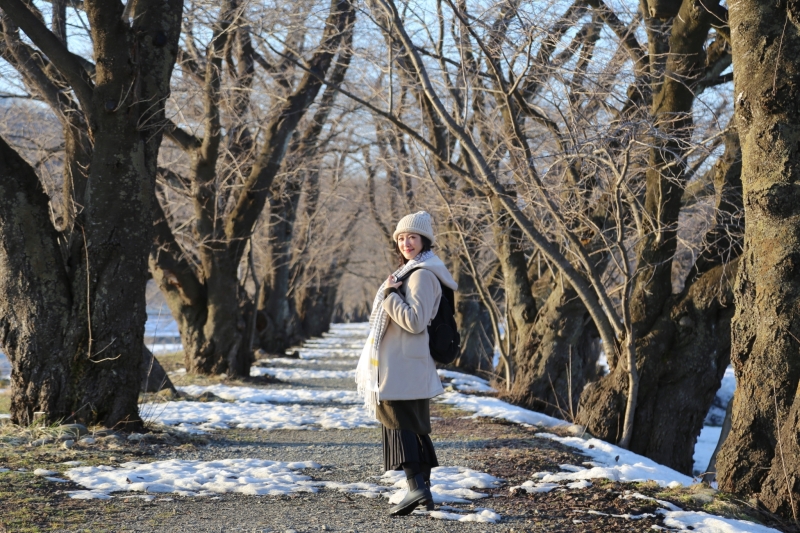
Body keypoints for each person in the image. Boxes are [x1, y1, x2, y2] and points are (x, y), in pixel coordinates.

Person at [355, 211, 458, 516]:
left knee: (400, 423)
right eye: (401, 238)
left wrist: (388, 295)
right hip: (402, 363)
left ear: (425, 240)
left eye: (412, 237)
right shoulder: (412, 271)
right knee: (411, 426)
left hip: (405, 363)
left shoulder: (423, 274)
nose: (405, 243)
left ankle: (415, 488)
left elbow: (414, 321)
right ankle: (421, 490)